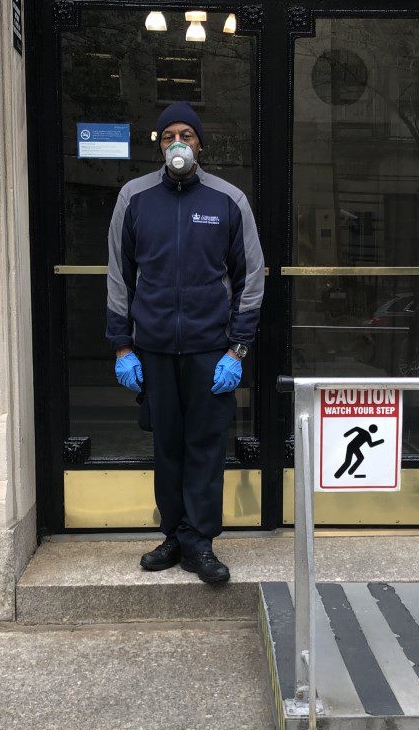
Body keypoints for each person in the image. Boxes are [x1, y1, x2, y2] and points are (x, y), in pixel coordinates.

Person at [106, 102, 264, 585]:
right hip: (152, 350)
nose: (179, 143)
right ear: (159, 143)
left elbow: (251, 278)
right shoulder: (134, 198)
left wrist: (237, 350)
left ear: (200, 143)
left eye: (188, 136)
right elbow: (119, 275)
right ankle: (174, 534)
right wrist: (122, 346)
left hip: (209, 351)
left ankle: (201, 540)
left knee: (206, 446)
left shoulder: (228, 200)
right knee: (167, 445)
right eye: (169, 135)